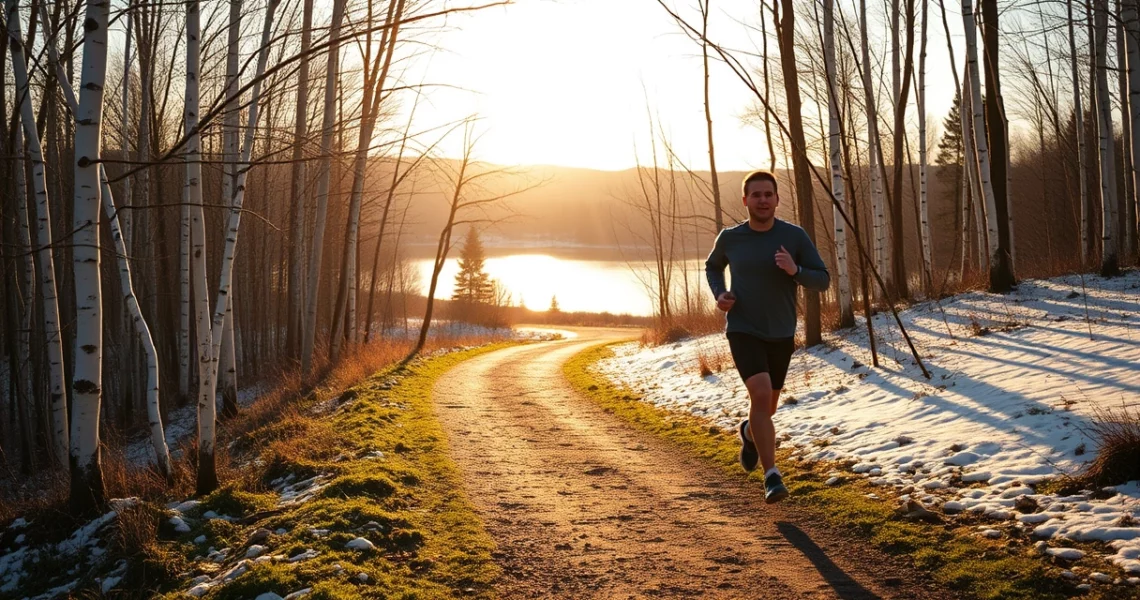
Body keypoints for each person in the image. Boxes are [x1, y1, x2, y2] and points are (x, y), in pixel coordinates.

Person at [705, 170, 830, 503]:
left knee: (766, 409)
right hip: (744, 329)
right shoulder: (730, 238)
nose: (762, 200)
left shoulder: (795, 237)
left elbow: (823, 280)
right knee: (760, 395)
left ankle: (748, 432)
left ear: (776, 199)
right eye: (756, 195)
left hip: (781, 334)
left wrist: (795, 271)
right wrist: (720, 294)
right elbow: (712, 266)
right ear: (745, 200)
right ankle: (772, 476)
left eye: (768, 194)